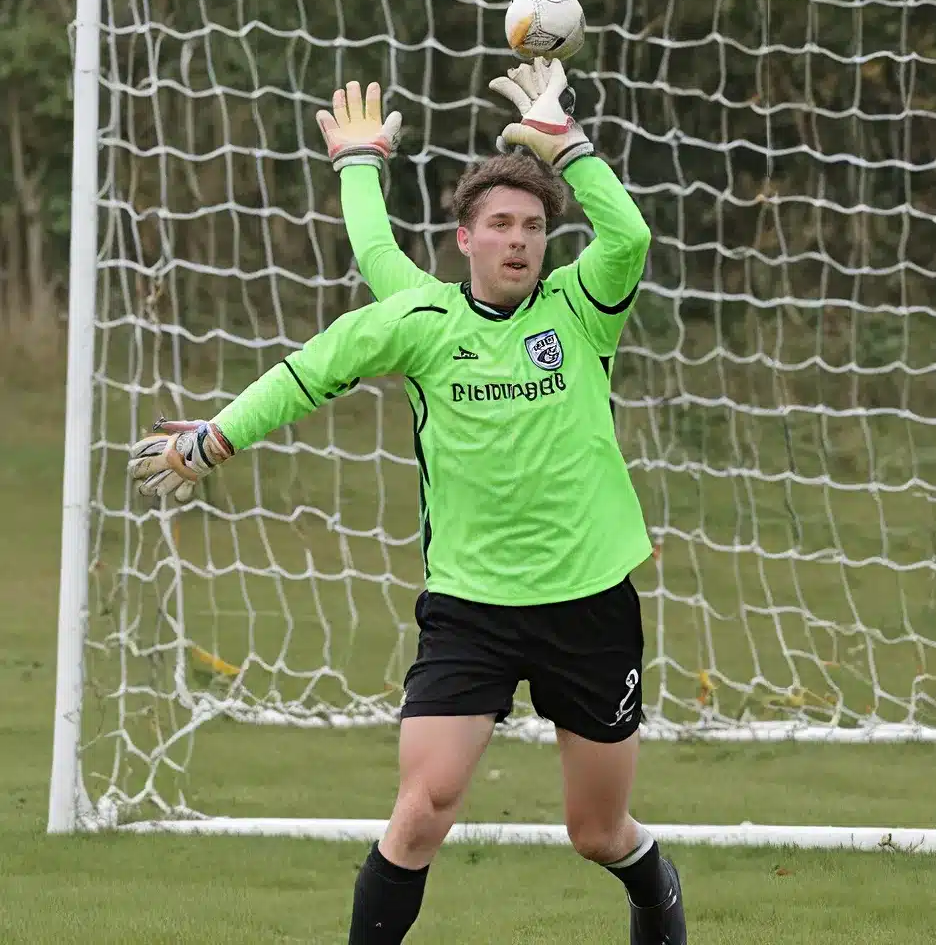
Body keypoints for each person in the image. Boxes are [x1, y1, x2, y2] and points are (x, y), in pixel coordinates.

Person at [127, 57, 685, 945]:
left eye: (535, 226)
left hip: (589, 604)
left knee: (597, 834)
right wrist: (212, 441)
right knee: (423, 809)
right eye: (500, 224)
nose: (520, 240)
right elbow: (310, 370)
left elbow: (629, 239)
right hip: (471, 607)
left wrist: (565, 144)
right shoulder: (422, 322)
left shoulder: (581, 310)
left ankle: (654, 887)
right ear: (464, 240)